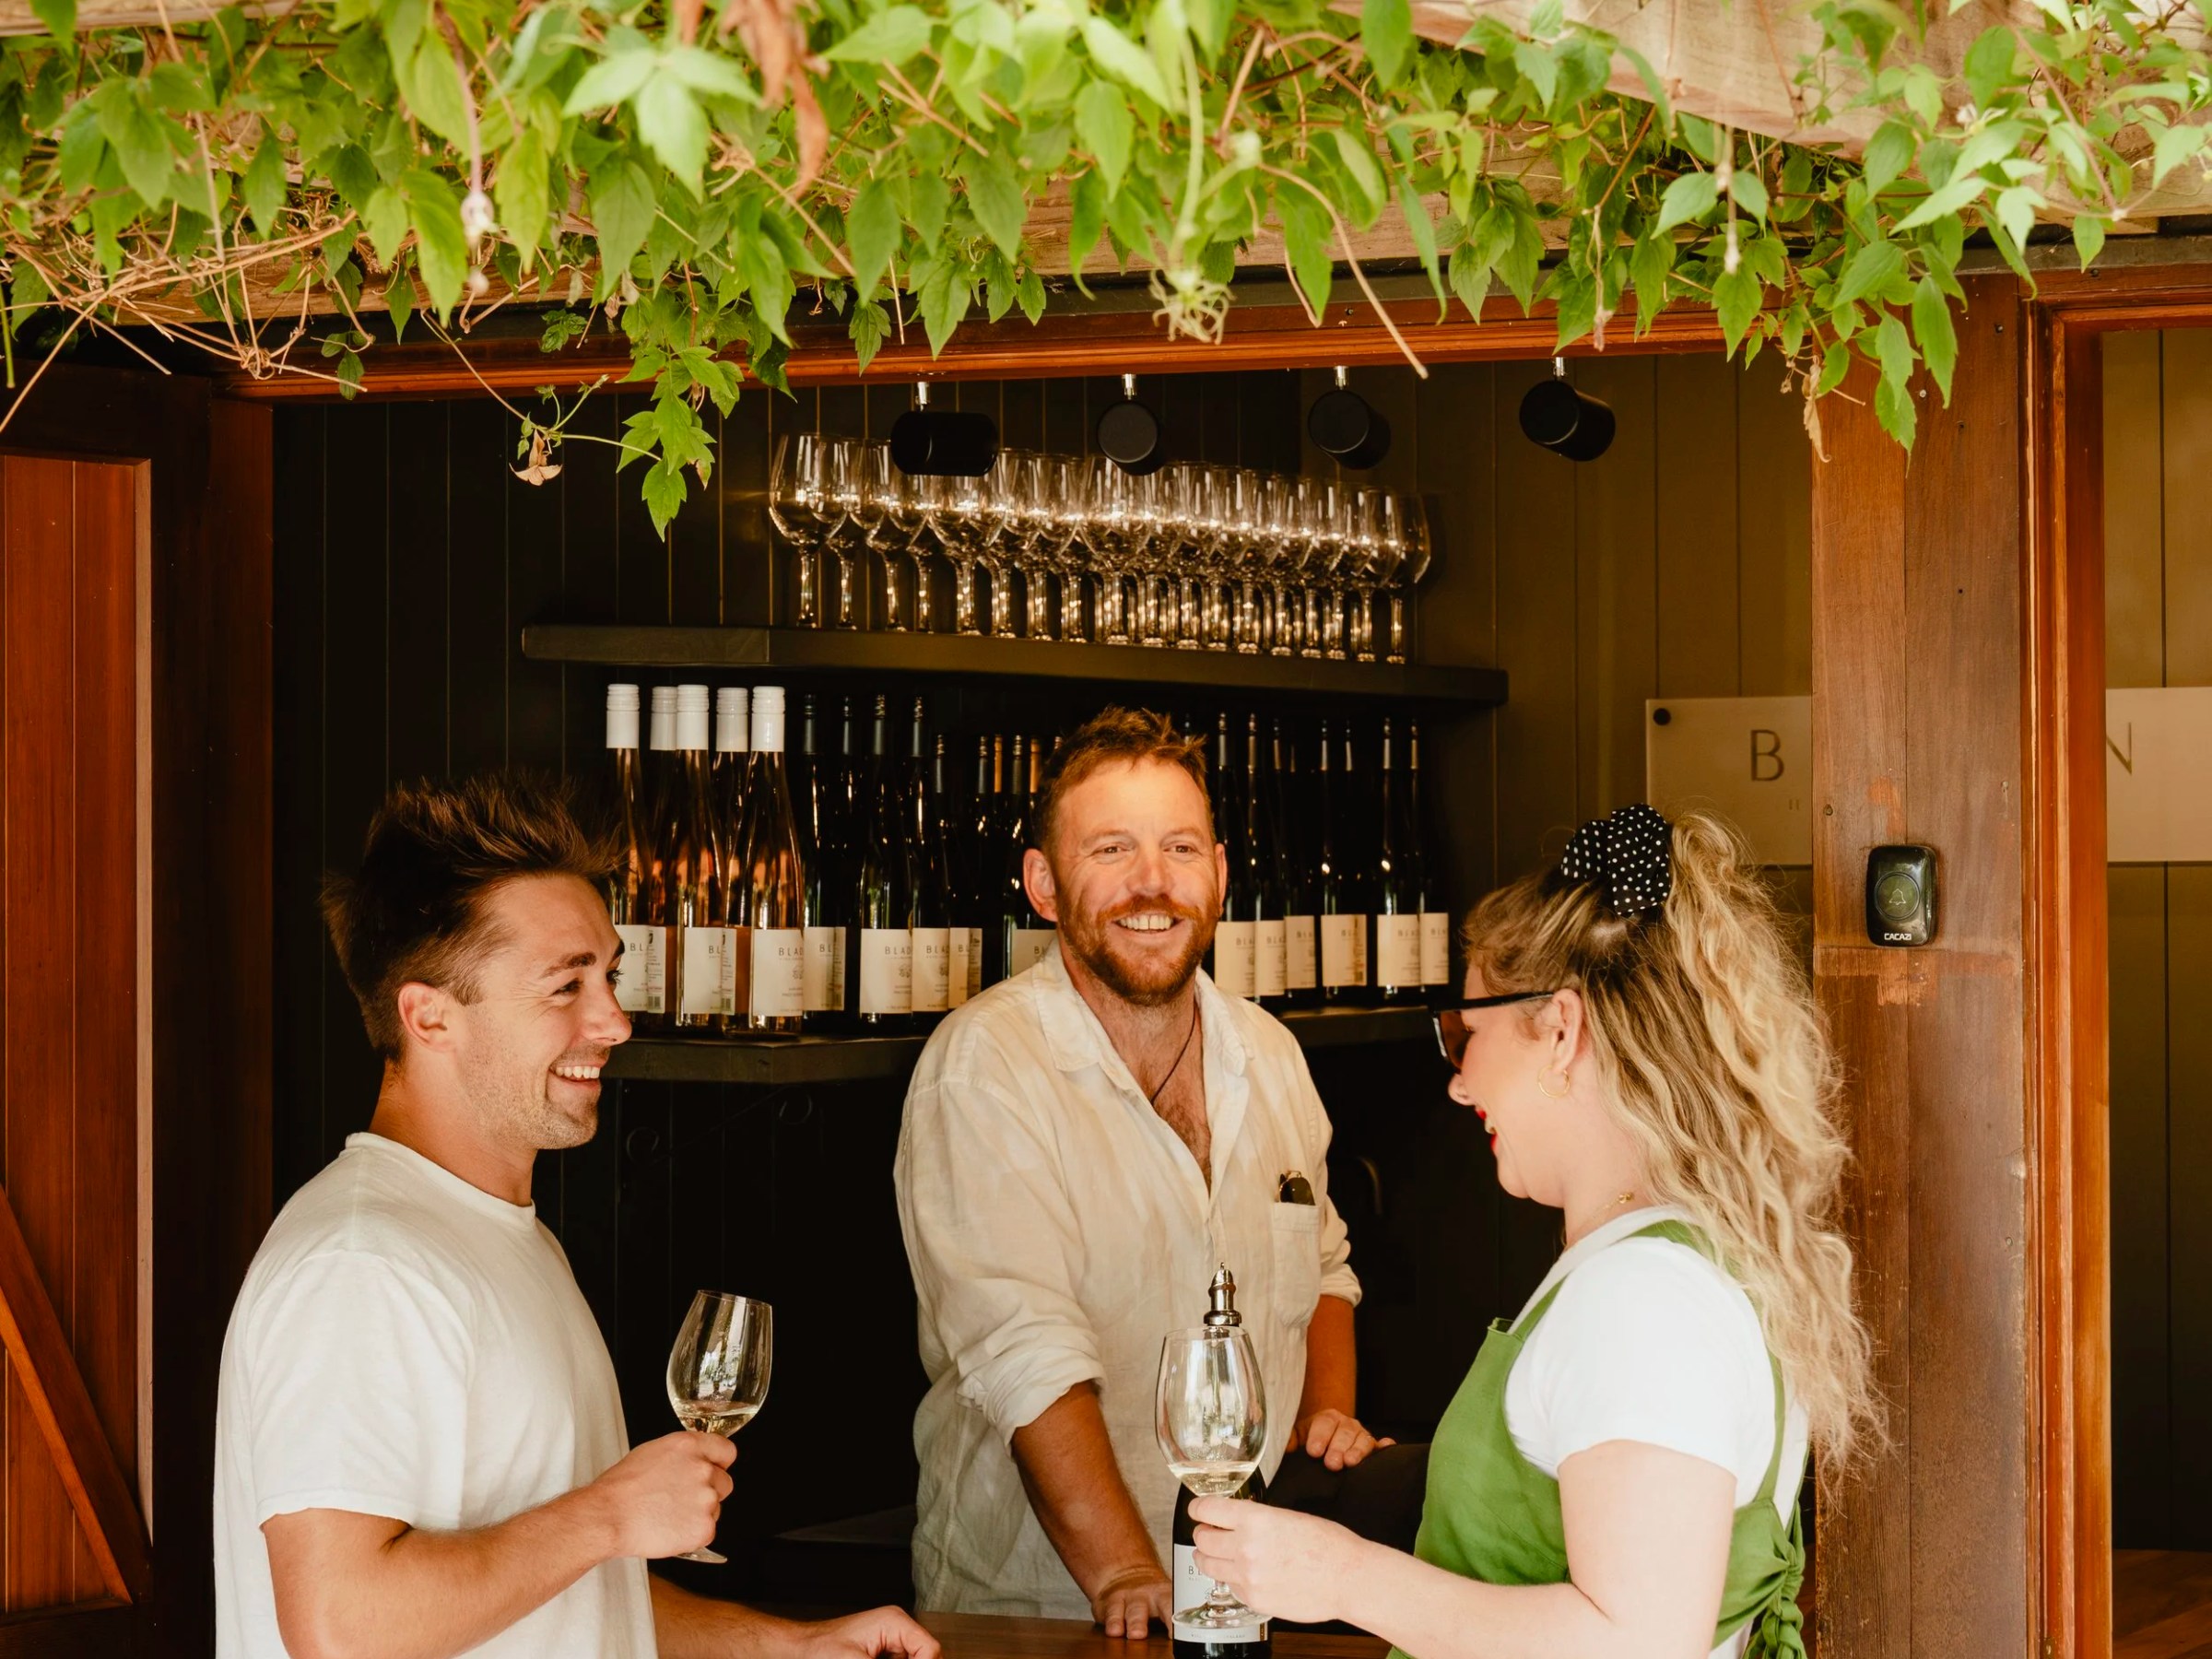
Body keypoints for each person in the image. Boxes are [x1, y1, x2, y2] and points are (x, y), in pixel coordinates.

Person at [214, 773, 938, 1659]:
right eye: (566, 986)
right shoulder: (364, 1263)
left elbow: (559, 1599)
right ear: (429, 1017)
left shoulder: (500, 1235)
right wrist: (608, 1515)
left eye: (609, 974)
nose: (615, 1020)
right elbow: (342, 1625)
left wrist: (784, 1648)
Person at [1190, 805, 1878, 1659]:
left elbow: (1641, 1642)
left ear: (1560, 1030)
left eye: (1468, 1033)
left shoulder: (1643, 1299)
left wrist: (1341, 1577)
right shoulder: (1676, 1262)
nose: (1457, 1082)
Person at [894, 707, 1411, 1632]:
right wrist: (1126, 1573)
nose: (1152, 883)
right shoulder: (984, 1069)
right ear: (1044, 885)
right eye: (1111, 852)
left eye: (1179, 848)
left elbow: (1326, 1271)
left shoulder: (1271, 1054)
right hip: (1047, 1612)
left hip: (1252, 1597)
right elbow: (1027, 1356)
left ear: (1218, 872)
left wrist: (1325, 1422)